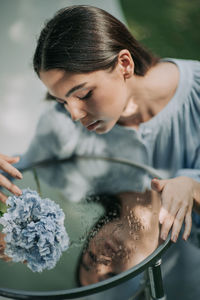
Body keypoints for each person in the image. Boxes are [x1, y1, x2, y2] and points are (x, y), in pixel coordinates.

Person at [0, 5, 200, 245]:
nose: (74, 114)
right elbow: (27, 170)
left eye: (83, 94)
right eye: (62, 100)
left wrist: (192, 186)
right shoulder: (61, 124)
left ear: (124, 64)